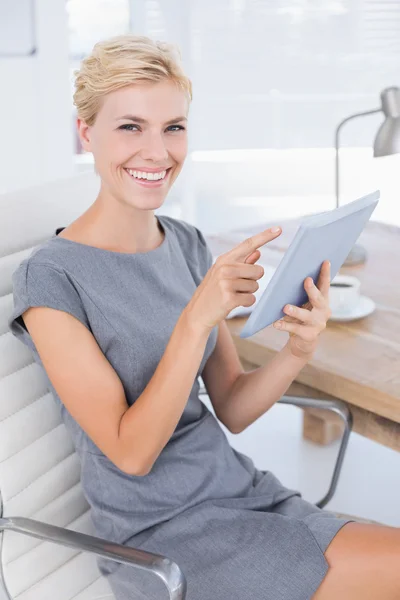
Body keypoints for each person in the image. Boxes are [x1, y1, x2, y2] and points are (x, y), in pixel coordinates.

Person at [8, 34, 400, 600]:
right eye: (130, 127)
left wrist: (297, 349)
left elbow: (234, 408)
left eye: (173, 127)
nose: (157, 151)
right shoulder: (52, 279)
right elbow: (131, 453)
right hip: (164, 536)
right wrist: (196, 318)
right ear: (86, 133)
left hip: (243, 493)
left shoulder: (186, 243)